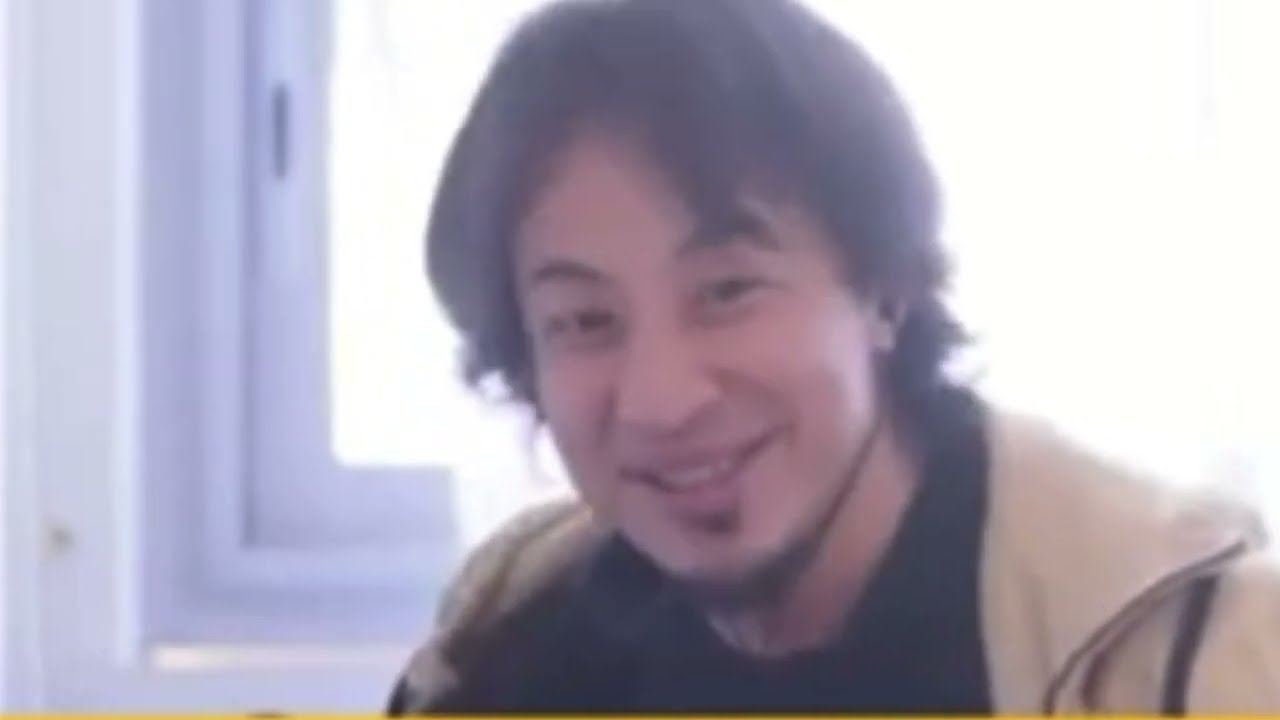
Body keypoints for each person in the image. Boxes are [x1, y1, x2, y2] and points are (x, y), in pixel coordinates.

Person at [387, 0, 1280, 713]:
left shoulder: (1197, 652)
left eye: (727, 291)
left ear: (883, 290)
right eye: (584, 321)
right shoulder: (509, 645)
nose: (662, 400)